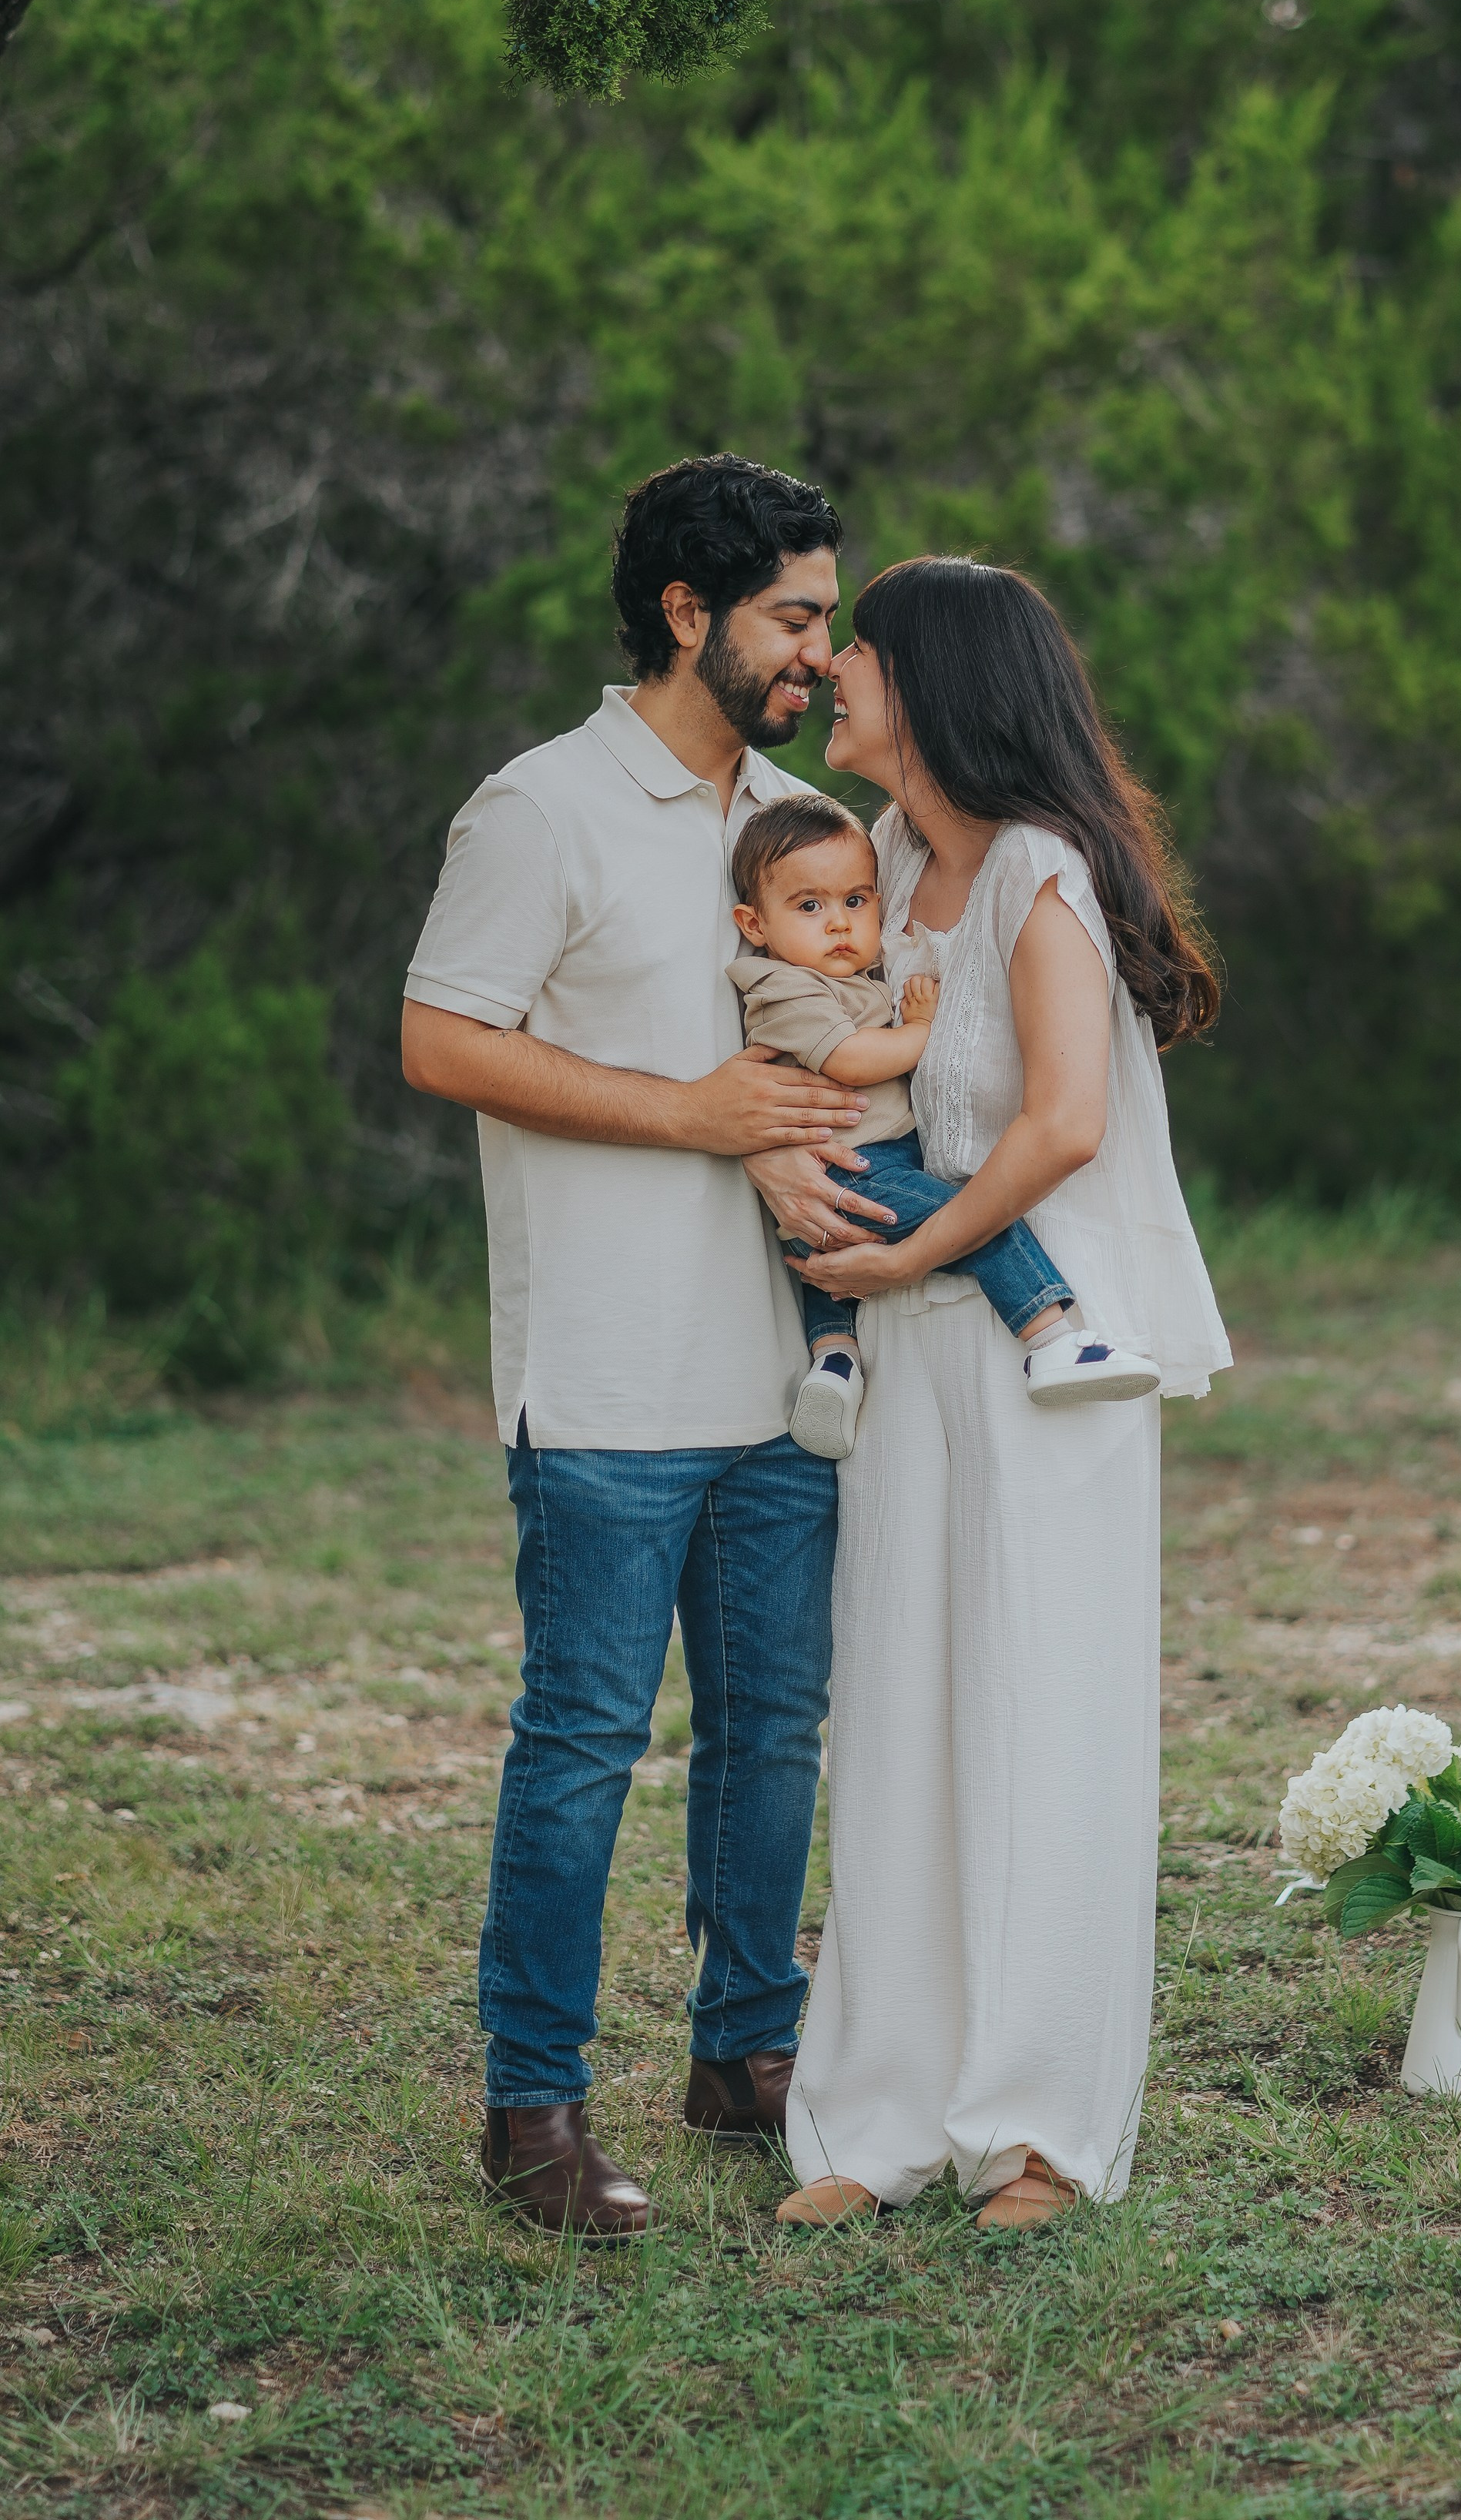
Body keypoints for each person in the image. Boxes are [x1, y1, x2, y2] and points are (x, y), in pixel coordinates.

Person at [400, 452, 897, 2240]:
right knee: (586, 1737)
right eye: (789, 616)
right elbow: (443, 1044)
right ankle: (530, 2110)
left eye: (823, 620)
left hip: (782, 1379)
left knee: (772, 1728)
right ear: (686, 609)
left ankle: (745, 2052)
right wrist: (686, 1117)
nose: (814, 654)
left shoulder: (789, 820)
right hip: (606, 1379)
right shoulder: (538, 810)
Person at [772, 556, 1232, 2234]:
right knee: (899, 1713)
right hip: (909, 1354)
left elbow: (1062, 1123)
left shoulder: (1038, 870)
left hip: (1047, 1357)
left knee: (1040, 1718)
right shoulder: (881, 860)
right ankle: (875, 2116)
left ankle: (1034, 2128)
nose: (836, 678)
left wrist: (917, 1257)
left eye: (861, 655)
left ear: (936, 682)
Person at [726, 789, 1164, 1460]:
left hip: (857, 1167)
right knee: (975, 1220)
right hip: (858, 1164)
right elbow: (848, 1060)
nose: (839, 923)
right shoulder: (783, 988)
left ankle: (835, 1366)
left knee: (833, 1275)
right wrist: (921, 1030)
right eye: (808, 906)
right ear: (753, 925)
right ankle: (1049, 1340)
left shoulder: (845, 976)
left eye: (855, 900)